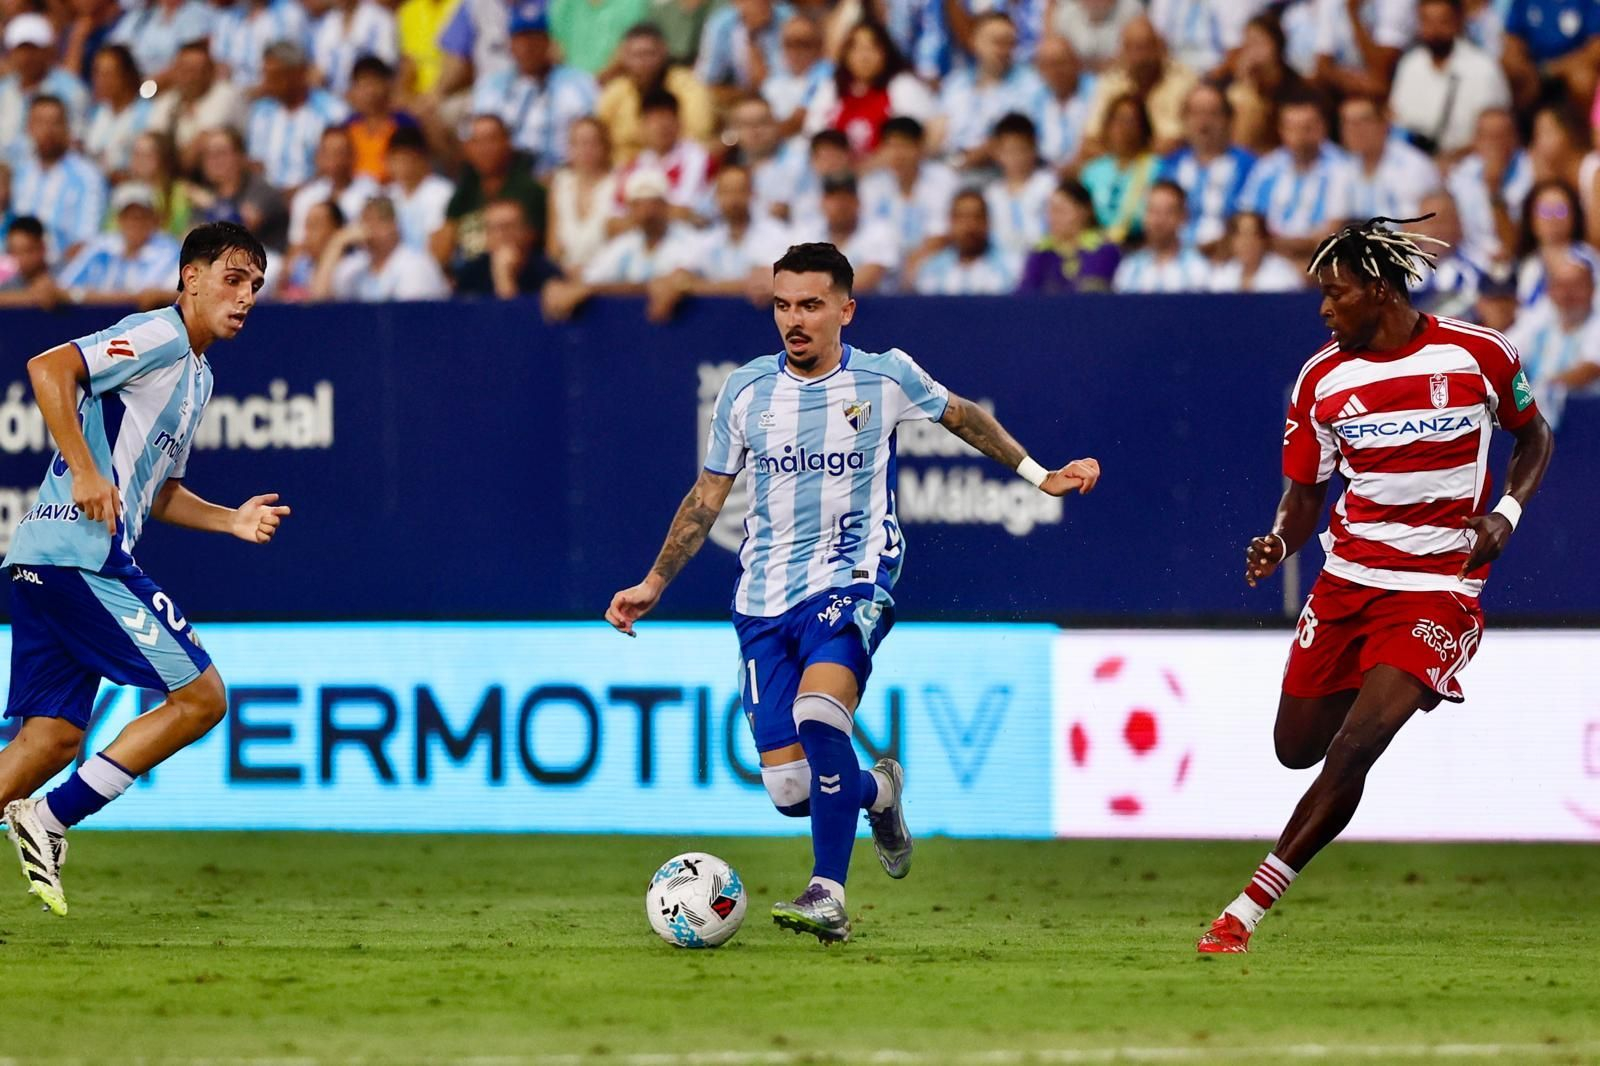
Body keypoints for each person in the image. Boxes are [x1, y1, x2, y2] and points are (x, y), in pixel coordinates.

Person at [604, 240, 1100, 942]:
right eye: (782, 305)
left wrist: (1039, 474)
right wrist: (655, 580)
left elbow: (963, 417)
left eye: (810, 304)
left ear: (846, 308)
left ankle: (827, 892)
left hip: (853, 578)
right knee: (788, 789)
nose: (794, 320)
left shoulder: (886, 376)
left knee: (819, 713)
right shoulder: (746, 391)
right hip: (762, 600)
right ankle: (879, 791)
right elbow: (707, 496)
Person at [1196, 215, 1554, 954]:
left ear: (1381, 290)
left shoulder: (1478, 353)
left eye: (1337, 294)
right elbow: (1303, 499)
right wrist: (1278, 541)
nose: (1325, 310)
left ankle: (1245, 910)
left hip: (1438, 589)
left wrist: (1507, 513)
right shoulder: (1321, 378)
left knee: (1356, 746)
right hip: (1347, 582)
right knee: (1296, 747)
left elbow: (1536, 434)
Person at [0, 221, 287, 917]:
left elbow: (155, 490)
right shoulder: (159, 334)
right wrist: (90, 470)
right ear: (189, 277)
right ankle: (51, 818)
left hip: (42, 559)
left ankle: (42, 808)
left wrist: (228, 519)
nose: (245, 295)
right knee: (203, 698)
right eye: (232, 277)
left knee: (52, 739)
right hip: (83, 558)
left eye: (255, 284)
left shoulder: (199, 374)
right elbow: (48, 368)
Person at [541, 167, 699, 319]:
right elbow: (591, 278)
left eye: (653, 203)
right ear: (630, 209)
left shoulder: (687, 240)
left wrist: (589, 289)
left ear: (665, 205)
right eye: (639, 205)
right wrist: (563, 286)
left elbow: (677, 280)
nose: (647, 212)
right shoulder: (627, 244)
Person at [469, 0, 598, 177]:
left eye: (534, 39)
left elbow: (590, 138)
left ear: (548, 42)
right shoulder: (491, 86)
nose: (527, 47)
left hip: (563, 175)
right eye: (520, 39)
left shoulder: (578, 83)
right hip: (507, 178)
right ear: (510, 45)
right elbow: (478, 140)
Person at [1235, 92, 1353, 261]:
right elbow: (1247, 220)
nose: (1299, 137)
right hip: (1268, 257)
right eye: (1292, 128)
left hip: (1320, 258)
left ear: (1322, 127)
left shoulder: (1341, 167)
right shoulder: (1266, 168)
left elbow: (1335, 230)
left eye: (1307, 128)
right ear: (1281, 130)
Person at [1388, 0, 1510, 157]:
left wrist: (1451, 159)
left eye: (1442, 22)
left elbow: (1497, 133)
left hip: (1469, 162)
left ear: (1458, 21)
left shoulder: (1483, 68)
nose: (1434, 31)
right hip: (1413, 161)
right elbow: (1395, 118)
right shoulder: (1410, 64)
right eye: (1427, 22)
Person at [805, 19, 936, 158]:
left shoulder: (904, 85)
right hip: (839, 174)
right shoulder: (831, 88)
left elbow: (912, 142)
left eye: (872, 48)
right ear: (846, 54)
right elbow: (815, 137)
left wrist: (866, 169)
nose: (864, 56)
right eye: (857, 48)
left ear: (885, 52)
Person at [432, 113, 548, 269]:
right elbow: (446, 237)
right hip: (471, 278)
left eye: (491, 140)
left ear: (507, 143)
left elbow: (529, 242)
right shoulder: (466, 189)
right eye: (477, 142)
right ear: (468, 148)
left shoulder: (529, 190)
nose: (484, 149)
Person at [933, 13, 1045, 166]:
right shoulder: (956, 83)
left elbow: (1018, 135)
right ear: (974, 42)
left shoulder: (1031, 83)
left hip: (1000, 170)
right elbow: (937, 130)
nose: (1004, 50)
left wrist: (967, 161)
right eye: (997, 42)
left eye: (1010, 43)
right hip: (951, 165)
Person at [1505, 254, 1600, 429]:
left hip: (1588, 424)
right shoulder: (1540, 318)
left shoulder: (1597, 323)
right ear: (1549, 290)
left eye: (1576, 286)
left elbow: (1591, 368)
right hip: (1537, 422)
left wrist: (1542, 390)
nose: (1567, 295)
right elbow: (1503, 355)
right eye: (1560, 286)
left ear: (1592, 289)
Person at [597, 23, 714, 162]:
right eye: (636, 55)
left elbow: (698, 131)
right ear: (624, 57)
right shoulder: (616, 90)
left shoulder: (686, 84)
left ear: (663, 52)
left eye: (649, 53)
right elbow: (599, 135)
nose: (643, 62)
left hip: (677, 164)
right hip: (622, 170)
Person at [1159, 82, 1256, 250]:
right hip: (1176, 256)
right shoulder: (1170, 165)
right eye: (1195, 114)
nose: (1203, 123)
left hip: (1228, 256)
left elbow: (1250, 220)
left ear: (1228, 120)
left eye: (1212, 114)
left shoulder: (1248, 166)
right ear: (1184, 120)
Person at [11, 95, 108, 264]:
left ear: (67, 128)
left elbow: (87, 241)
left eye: (55, 122)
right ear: (29, 128)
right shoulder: (21, 173)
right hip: (17, 270)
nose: (48, 130)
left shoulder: (87, 176)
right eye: (40, 122)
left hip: (63, 271)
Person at [1082, 15, 1196, 155]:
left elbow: (1195, 134)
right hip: (1122, 165)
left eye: (1145, 48)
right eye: (1132, 49)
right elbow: (1090, 139)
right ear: (1121, 52)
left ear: (1160, 48)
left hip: (1170, 163)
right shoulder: (1110, 82)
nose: (1140, 58)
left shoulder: (1184, 80)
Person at [246, 40, 350, 190]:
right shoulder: (261, 112)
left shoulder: (332, 112)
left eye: (275, 76)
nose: (267, 83)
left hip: (315, 194)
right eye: (265, 74)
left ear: (298, 74)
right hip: (268, 199)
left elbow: (334, 166)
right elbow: (255, 161)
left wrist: (298, 192)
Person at [55, 182, 181, 306]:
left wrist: (84, 296)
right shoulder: (100, 247)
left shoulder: (169, 251)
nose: (135, 222)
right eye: (129, 216)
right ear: (119, 219)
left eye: (142, 215)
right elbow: (62, 288)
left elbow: (172, 294)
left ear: (154, 218)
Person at [312, 194, 451, 300]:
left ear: (394, 226)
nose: (368, 228)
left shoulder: (415, 264)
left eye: (377, 221)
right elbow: (318, 299)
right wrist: (337, 244)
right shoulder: (354, 268)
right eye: (365, 221)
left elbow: (414, 319)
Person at [858, 115, 955, 262]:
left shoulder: (943, 179)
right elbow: (868, 232)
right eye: (891, 146)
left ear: (920, 147)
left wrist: (914, 262)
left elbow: (942, 232)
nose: (898, 154)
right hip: (884, 265)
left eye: (904, 145)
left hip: (931, 260)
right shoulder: (872, 186)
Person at [1446, 107, 1532, 267]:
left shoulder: (1530, 172)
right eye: (1487, 136)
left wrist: (1493, 189)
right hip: (1468, 263)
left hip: (1516, 263)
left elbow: (1514, 244)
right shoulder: (1461, 174)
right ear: (1475, 140)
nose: (1494, 144)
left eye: (1500, 136)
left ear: (1515, 139)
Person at [145, 40, 247, 172]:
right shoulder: (167, 100)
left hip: (216, 177)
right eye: (183, 70)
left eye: (195, 71)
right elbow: (153, 144)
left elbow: (196, 151)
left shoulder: (226, 94)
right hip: (174, 178)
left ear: (210, 73)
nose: (189, 77)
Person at [609, 89, 712, 219]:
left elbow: (684, 211)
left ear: (679, 123)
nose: (662, 126)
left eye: (667, 118)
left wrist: (640, 215)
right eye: (655, 120)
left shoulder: (698, 158)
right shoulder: (630, 167)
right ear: (641, 126)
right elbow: (614, 219)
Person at [0, 14, 90, 160]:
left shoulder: (71, 89)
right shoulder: (3, 90)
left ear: (48, 51)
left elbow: (76, 140)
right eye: (20, 50)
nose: (26, 57)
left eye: (33, 49)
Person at [1339, 95, 1441, 222]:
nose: (1353, 130)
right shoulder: (1344, 166)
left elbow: (1414, 226)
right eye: (1347, 123)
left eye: (1362, 122)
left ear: (1384, 124)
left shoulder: (1413, 166)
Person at [189, 127, 290, 252]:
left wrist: (213, 205)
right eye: (208, 155)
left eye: (220, 153)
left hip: (264, 259)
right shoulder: (206, 194)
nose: (213, 161)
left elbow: (240, 231)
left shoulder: (260, 189)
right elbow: (192, 238)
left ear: (240, 156)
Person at [792, 172, 897, 292]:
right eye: (833, 198)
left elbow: (867, 279)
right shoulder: (807, 234)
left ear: (857, 202)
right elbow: (792, 276)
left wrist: (813, 288)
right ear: (822, 203)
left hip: (873, 307)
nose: (840, 205)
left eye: (846, 197)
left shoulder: (879, 232)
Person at [1016, 177, 1120, 293]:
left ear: (1085, 211)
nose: (1053, 218)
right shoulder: (1041, 252)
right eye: (1050, 211)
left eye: (1061, 211)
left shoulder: (1102, 250)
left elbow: (1091, 291)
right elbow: (1025, 292)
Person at [1079, 93, 1158, 245]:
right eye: (1117, 120)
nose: (1123, 128)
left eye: (1130, 121)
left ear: (1143, 127)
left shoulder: (1156, 168)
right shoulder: (1092, 171)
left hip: (1139, 245)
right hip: (1097, 245)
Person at [287, 126, 381, 253]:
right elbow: (296, 244)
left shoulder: (370, 190)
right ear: (318, 156)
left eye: (340, 152)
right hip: (314, 264)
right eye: (327, 152)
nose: (333, 159)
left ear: (353, 155)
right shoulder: (306, 196)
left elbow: (374, 236)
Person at [546, 116, 618, 273]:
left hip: (606, 275)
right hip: (566, 273)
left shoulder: (618, 183)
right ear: (569, 149)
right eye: (579, 143)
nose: (587, 149)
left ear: (605, 146)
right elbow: (553, 247)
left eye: (593, 143)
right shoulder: (560, 184)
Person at [453, 196, 564, 298]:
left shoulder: (548, 274)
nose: (503, 235)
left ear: (525, 231)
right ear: (486, 235)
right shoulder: (470, 274)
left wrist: (504, 278)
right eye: (495, 228)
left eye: (509, 227)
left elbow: (518, 318)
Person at [1513, 179, 1599, 308]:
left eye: (1561, 211)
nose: (1553, 218)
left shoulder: (1587, 259)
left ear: (1574, 216)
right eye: (1545, 211)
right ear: (1531, 218)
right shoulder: (1526, 263)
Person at [913, 189, 1018, 294]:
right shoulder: (931, 271)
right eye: (962, 217)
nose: (969, 226)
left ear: (988, 222)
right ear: (950, 222)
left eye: (977, 217)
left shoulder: (1012, 269)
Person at [1111, 179, 1208, 292]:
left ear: (1183, 217)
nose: (1158, 221)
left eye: (1168, 212)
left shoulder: (1198, 268)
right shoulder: (1129, 268)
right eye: (1152, 211)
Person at [984, 112, 1054, 268]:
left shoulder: (1049, 185)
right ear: (997, 153)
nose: (1016, 157)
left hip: (1042, 262)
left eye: (1022, 149)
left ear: (1034, 149)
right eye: (1009, 151)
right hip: (999, 266)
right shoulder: (991, 194)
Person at [341, 55, 419, 183]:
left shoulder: (405, 124)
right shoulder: (347, 127)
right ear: (353, 90)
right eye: (363, 84)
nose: (369, 91)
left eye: (374, 83)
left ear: (387, 85)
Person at [83, 45, 153, 180]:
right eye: (97, 73)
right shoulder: (95, 112)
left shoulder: (148, 114)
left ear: (127, 75)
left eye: (108, 74)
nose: (100, 81)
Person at [695, 0, 793, 95]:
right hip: (740, 95)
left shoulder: (789, 20)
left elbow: (784, 80)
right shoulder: (720, 24)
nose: (759, 4)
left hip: (785, 95)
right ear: (736, 2)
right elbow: (708, 77)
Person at [384, 126, 453, 252]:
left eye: (405, 159)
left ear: (422, 159)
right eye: (396, 160)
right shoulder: (387, 195)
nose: (401, 166)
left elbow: (440, 242)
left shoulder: (442, 193)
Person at [762, 13, 831, 138]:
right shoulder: (772, 82)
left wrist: (759, 132)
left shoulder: (828, 74)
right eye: (789, 43)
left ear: (819, 46)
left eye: (803, 43)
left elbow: (795, 123)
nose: (795, 50)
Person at [311, 0, 399, 96]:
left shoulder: (381, 18)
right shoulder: (326, 23)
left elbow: (386, 64)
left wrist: (358, 91)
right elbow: (321, 68)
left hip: (370, 94)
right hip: (335, 98)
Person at [1033, 34, 1094, 170]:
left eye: (1060, 63)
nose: (1055, 71)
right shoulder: (1035, 100)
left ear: (1077, 63)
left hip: (1089, 170)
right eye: (1047, 65)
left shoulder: (1096, 92)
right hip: (1046, 173)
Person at [1208, 210, 1304, 292]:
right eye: (1240, 236)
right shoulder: (1222, 276)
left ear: (1263, 240)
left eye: (1253, 235)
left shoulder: (1283, 276)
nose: (1246, 243)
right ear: (1232, 241)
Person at [0, 215, 58, 308]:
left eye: (27, 251)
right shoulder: (10, 285)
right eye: (14, 252)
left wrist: (60, 295)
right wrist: (32, 296)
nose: (20, 259)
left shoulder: (66, 274)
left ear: (42, 248)